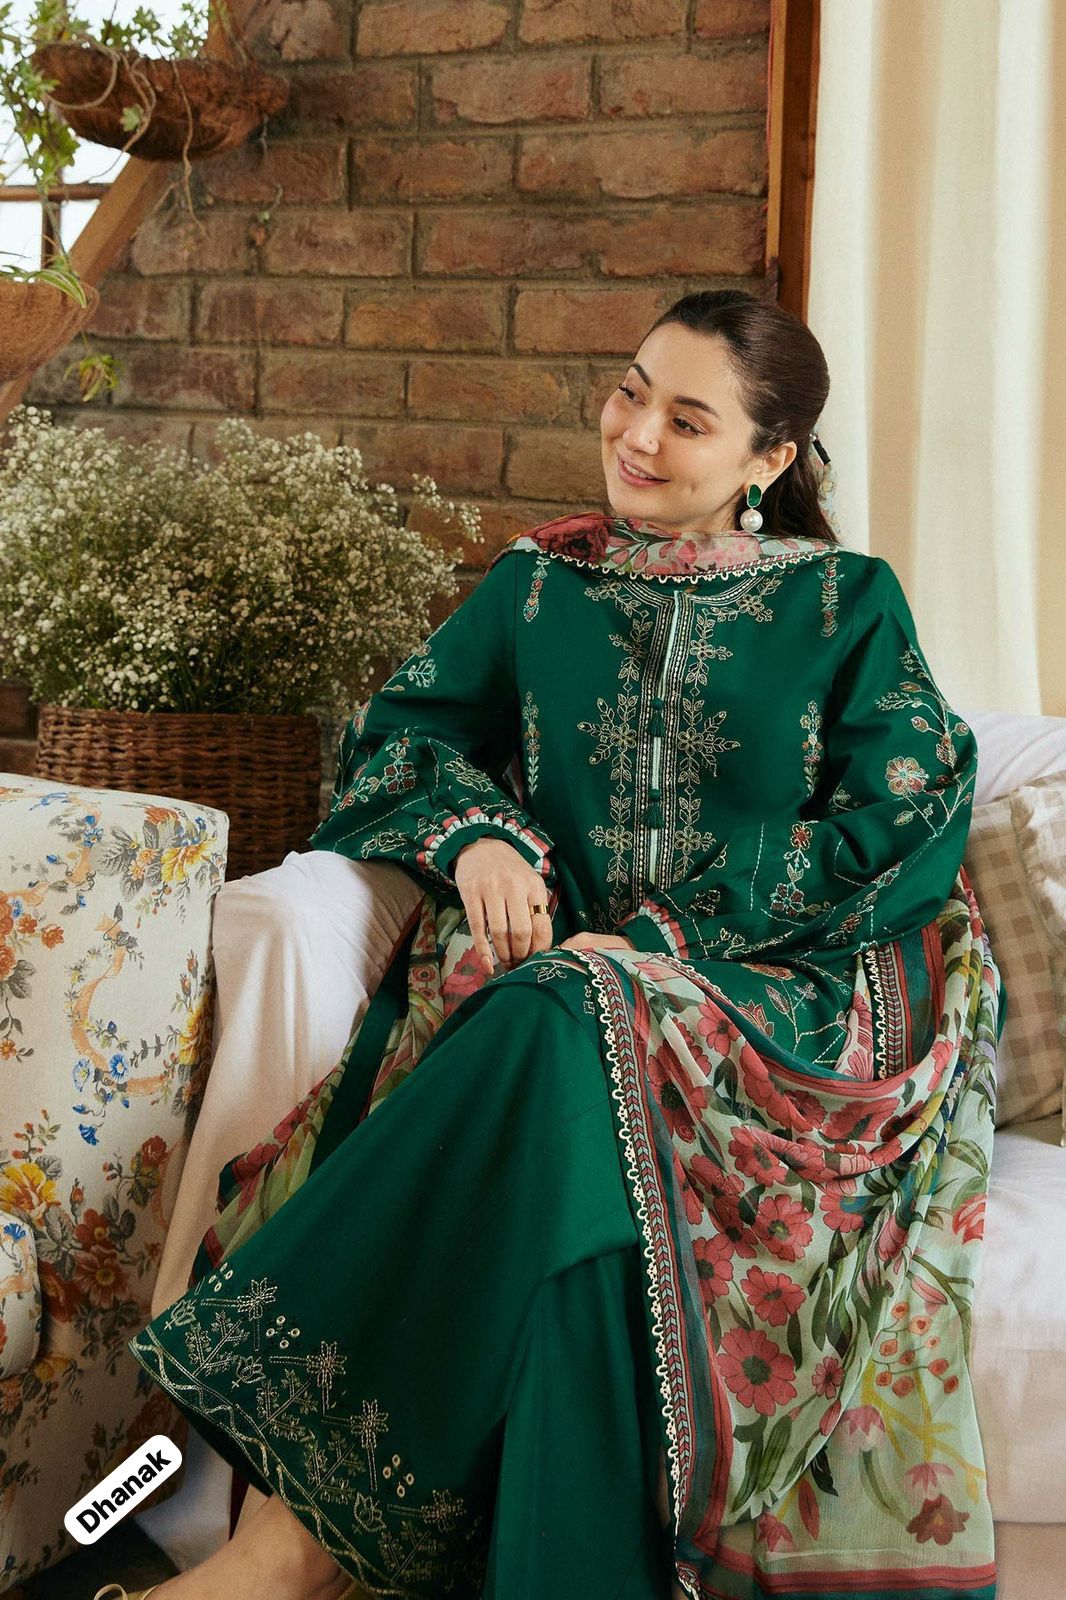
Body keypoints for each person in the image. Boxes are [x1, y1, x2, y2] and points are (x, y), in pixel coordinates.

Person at [116, 288, 1005, 1600]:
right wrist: (480, 836)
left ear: (767, 460)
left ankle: (276, 1558)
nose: (635, 433)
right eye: (631, 390)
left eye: (687, 419)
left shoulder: (845, 603)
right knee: (562, 1060)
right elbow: (401, 734)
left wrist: (672, 932)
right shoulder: (538, 585)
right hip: (580, 980)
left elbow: (907, 812)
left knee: (552, 1005)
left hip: (792, 987)